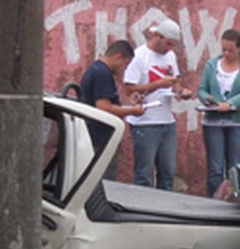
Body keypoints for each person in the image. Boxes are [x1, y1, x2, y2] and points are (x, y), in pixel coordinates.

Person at [123, 18, 192, 190]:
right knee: (144, 175)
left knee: (167, 174)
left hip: (167, 121)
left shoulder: (170, 56)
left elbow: (175, 82)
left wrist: (181, 92)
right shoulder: (139, 56)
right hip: (145, 122)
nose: (170, 48)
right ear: (158, 36)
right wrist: (157, 85)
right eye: (168, 43)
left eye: (173, 45)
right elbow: (129, 88)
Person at [198, 29, 240, 196]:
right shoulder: (211, 65)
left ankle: (233, 198)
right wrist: (207, 99)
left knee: (235, 167)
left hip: (237, 122)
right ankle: (214, 200)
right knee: (215, 168)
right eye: (224, 49)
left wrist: (230, 104)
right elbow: (202, 90)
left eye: (231, 50)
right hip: (213, 122)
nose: (227, 53)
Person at [80, 40, 145, 180]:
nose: (124, 69)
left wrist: (128, 103)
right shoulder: (102, 74)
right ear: (118, 57)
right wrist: (132, 111)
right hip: (99, 138)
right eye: (125, 65)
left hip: (94, 136)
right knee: (104, 182)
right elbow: (104, 107)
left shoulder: (96, 70)